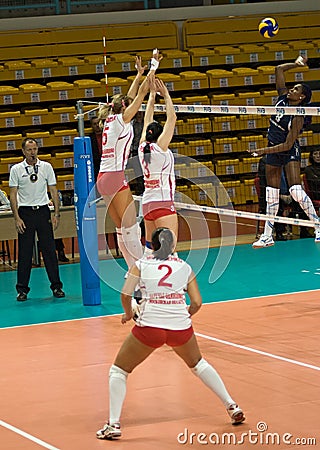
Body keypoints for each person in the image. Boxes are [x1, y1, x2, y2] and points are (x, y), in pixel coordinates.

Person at [96, 227, 245, 440]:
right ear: (173, 245)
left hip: (150, 328)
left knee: (119, 370)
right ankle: (231, 405)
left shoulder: (142, 265)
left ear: (152, 245)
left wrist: (128, 314)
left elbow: (125, 294)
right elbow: (197, 302)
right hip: (180, 328)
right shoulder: (184, 267)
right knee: (198, 364)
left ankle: (113, 424)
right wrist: (185, 315)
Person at [97, 51, 160, 270]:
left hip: (103, 178)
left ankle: (132, 269)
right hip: (115, 177)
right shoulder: (123, 119)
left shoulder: (111, 118)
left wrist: (138, 74)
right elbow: (141, 93)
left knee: (120, 228)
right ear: (125, 108)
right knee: (131, 227)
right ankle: (140, 269)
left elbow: (131, 95)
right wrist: (153, 66)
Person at [251, 55, 320, 248]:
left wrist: (263, 150)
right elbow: (279, 70)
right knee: (271, 194)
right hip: (273, 147)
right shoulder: (281, 99)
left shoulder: (298, 116)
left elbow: (288, 145)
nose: (292, 89)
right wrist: (296, 64)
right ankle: (267, 235)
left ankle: (317, 226)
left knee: (296, 190)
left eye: (296, 89)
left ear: (302, 97)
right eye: (293, 87)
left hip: (287, 150)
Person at [9, 137, 65, 301]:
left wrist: (56, 213)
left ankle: (56, 287)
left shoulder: (46, 167)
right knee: (25, 252)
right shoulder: (17, 169)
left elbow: (53, 190)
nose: (33, 153)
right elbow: (13, 195)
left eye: (35, 149)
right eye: (29, 150)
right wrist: (17, 217)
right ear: (23, 151)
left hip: (42, 211)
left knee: (49, 251)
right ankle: (22, 290)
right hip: (25, 212)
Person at [138, 77, 177, 256]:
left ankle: (143, 282)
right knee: (170, 250)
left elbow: (147, 119)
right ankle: (173, 284)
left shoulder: (142, 147)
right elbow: (172, 118)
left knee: (149, 248)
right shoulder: (160, 148)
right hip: (162, 203)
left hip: (147, 204)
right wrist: (166, 95)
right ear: (161, 136)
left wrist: (152, 95)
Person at [88, 115, 102, 185]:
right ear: (92, 126)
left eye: (98, 123)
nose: (97, 125)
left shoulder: (108, 135)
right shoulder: (89, 138)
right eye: (94, 124)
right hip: (95, 165)